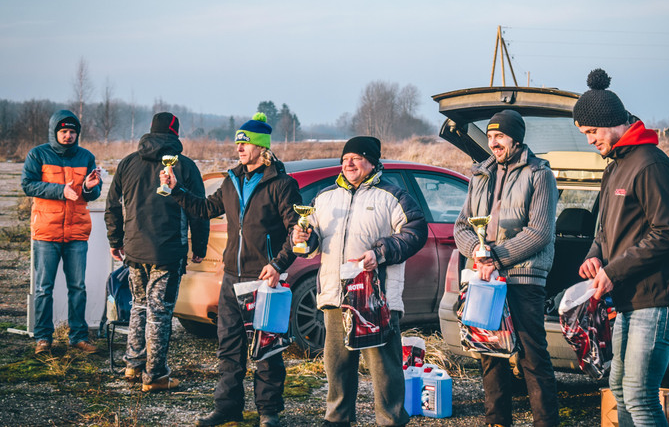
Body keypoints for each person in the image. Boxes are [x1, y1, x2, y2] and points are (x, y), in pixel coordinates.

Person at [160, 113, 302, 427]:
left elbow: (297, 231)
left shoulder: (281, 184)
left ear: (262, 148)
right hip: (231, 279)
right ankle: (227, 408)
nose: (238, 147)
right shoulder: (231, 179)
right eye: (237, 141)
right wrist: (175, 190)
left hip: (262, 280)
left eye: (245, 142)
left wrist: (278, 264)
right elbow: (205, 209)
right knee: (229, 348)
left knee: (266, 351)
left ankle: (269, 412)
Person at [574, 69, 669, 427]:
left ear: (609, 122)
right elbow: (606, 229)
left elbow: (667, 234)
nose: (590, 140)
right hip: (629, 297)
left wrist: (613, 270)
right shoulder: (615, 168)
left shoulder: (650, 164)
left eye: (591, 132)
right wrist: (595, 255)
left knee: (639, 395)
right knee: (620, 390)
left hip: (658, 297)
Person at [292, 136, 428, 427]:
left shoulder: (393, 196)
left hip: (375, 298)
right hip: (335, 297)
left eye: (356, 157)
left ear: (372, 162)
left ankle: (390, 420)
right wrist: (304, 238)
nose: (348, 163)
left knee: (383, 367)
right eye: (345, 158)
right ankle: (337, 419)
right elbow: (313, 242)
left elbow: (415, 232)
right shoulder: (325, 197)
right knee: (336, 365)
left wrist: (380, 253)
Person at [454, 109, 560, 427]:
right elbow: (462, 226)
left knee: (532, 357)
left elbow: (540, 232)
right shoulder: (481, 174)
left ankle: (545, 423)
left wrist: (495, 257)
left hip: (524, 278)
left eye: (500, 136)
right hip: (486, 279)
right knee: (489, 355)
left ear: (516, 138)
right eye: (490, 136)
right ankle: (496, 422)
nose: (493, 142)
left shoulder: (540, 174)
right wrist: (477, 251)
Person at [104, 112, 209, 392]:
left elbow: (113, 204)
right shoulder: (184, 166)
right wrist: (199, 246)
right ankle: (156, 374)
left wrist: (115, 239)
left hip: (134, 250)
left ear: (150, 133)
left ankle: (133, 364)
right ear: (175, 134)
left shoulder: (127, 163)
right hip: (168, 251)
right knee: (160, 311)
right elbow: (199, 210)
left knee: (139, 303)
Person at [22, 109, 102, 355]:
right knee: (44, 288)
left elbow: (92, 194)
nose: (68, 136)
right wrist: (60, 191)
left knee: (78, 287)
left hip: (77, 232)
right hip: (47, 232)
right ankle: (43, 338)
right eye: (63, 131)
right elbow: (28, 184)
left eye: (72, 132)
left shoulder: (86, 156)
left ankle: (78, 336)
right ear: (54, 132)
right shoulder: (37, 154)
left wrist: (89, 187)